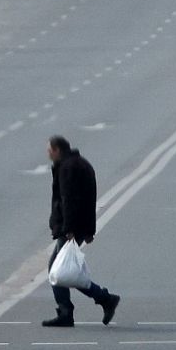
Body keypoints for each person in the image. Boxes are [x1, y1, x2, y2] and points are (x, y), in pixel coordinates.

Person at [42, 135, 119, 328]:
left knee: (58, 271)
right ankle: (98, 300)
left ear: (57, 150)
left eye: (49, 149)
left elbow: (69, 200)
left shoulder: (67, 168)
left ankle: (90, 303)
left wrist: (68, 229)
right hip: (79, 225)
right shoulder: (80, 164)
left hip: (71, 227)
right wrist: (89, 229)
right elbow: (90, 198)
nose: (47, 153)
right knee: (64, 270)